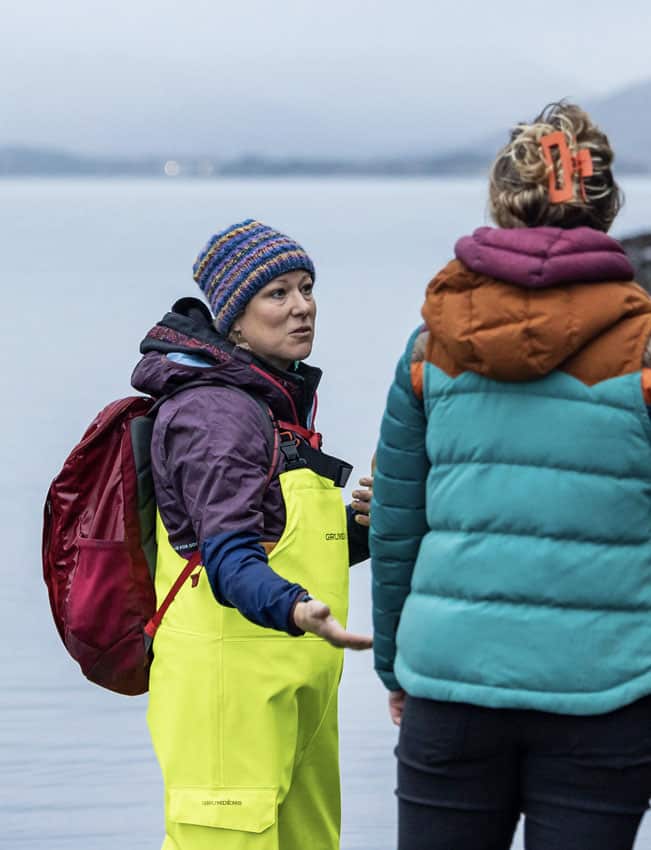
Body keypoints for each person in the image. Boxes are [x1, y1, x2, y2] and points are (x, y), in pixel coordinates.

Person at [370, 102, 651, 850]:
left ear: (501, 201)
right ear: (607, 206)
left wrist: (397, 664)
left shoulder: (430, 348)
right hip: (608, 688)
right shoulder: (643, 349)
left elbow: (397, 519)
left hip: (449, 681)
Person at [131, 219, 373, 850]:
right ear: (234, 318)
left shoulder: (272, 402)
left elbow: (284, 542)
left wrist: (368, 529)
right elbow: (229, 556)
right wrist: (296, 607)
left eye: (307, 287)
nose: (303, 307)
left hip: (295, 689)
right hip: (229, 698)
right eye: (278, 294)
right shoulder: (215, 413)